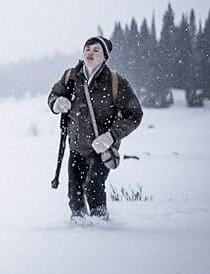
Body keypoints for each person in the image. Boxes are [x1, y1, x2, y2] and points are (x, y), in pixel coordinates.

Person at [48, 36, 142, 221]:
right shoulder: (71, 76)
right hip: (76, 147)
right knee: (74, 195)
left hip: (102, 148)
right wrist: (56, 103)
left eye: (96, 50)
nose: (90, 52)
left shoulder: (116, 82)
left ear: (104, 57)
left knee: (93, 187)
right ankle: (79, 228)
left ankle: (101, 227)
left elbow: (135, 115)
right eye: (87, 49)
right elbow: (53, 95)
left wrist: (111, 136)